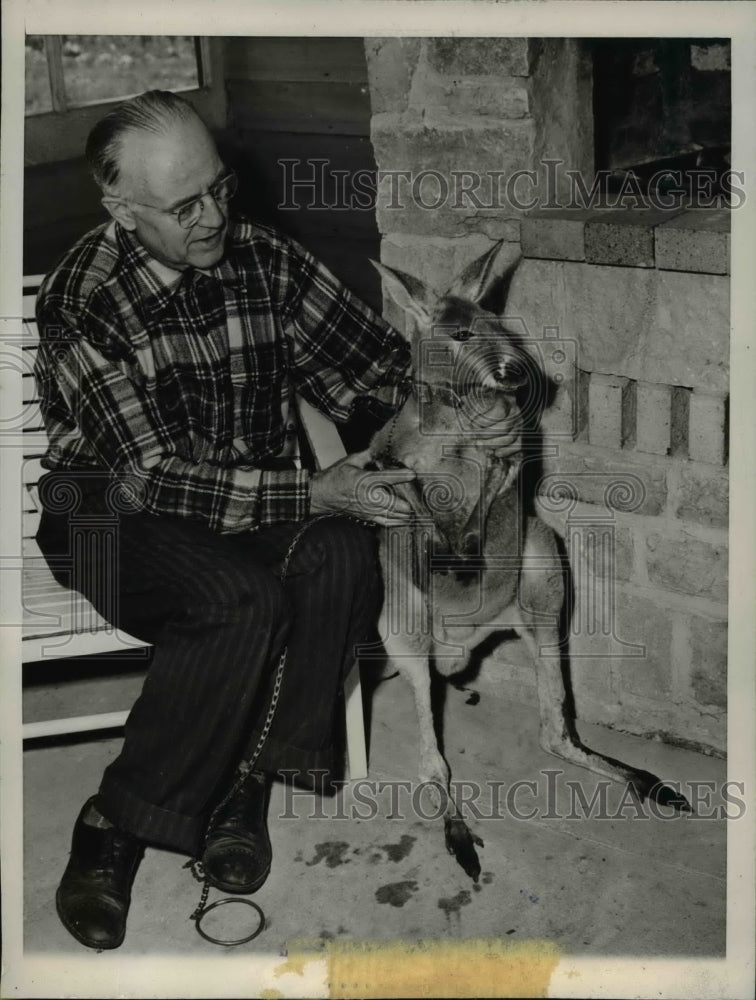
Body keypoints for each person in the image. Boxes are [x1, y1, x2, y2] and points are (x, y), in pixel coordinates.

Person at [34, 90, 519, 951]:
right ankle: (113, 819)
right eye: (187, 206)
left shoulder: (266, 260)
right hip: (110, 513)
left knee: (341, 555)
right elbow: (150, 477)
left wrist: (443, 395)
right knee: (241, 598)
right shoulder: (85, 294)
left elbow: (370, 372)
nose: (216, 215)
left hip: (248, 499)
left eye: (221, 188)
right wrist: (312, 492)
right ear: (121, 209)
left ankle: (245, 784)